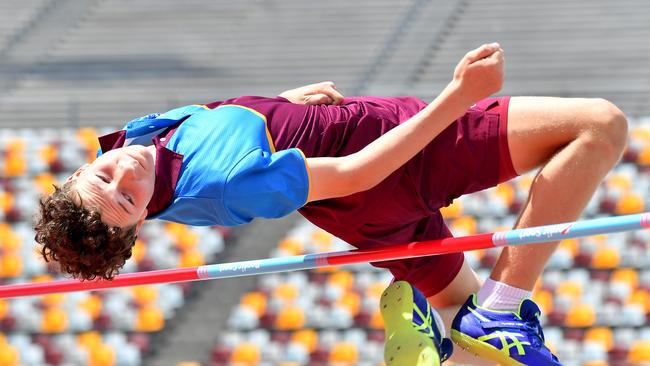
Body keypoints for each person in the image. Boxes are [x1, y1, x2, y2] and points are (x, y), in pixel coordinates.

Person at [34, 43, 627, 365]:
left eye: (106, 177)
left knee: (470, 331)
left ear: (88, 163)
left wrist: (282, 109)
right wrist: (456, 98)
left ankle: (439, 343)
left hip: (362, 208)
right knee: (598, 126)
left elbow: (214, 121)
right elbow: (356, 172)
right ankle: (503, 309)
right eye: (128, 199)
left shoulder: (132, 142)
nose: (125, 175)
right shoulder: (225, 184)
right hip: (388, 159)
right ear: (142, 219)